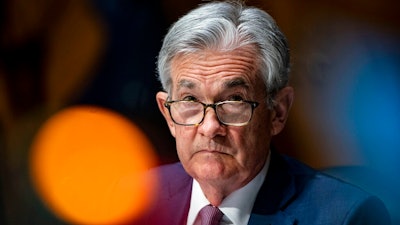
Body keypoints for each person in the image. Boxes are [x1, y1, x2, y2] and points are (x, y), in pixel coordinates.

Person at [133, 1, 391, 224]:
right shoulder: (133, 199)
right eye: (190, 99)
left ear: (277, 112)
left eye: (234, 100)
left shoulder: (347, 216)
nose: (210, 127)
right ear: (167, 114)